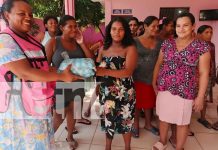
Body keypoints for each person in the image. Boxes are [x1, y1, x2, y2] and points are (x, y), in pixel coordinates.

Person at [0, 0, 79, 149]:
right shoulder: (4, 40)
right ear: (6, 15)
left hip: (39, 105)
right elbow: (25, 72)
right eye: (21, 13)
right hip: (19, 112)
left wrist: (63, 72)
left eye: (30, 13)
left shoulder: (30, 39)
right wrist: (61, 76)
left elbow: (43, 67)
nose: (28, 17)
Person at [152, 12, 211, 150]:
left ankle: (179, 147)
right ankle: (162, 141)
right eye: (178, 25)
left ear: (193, 26)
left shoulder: (201, 46)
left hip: (185, 90)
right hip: (165, 87)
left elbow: (204, 73)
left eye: (185, 25)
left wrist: (201, 97)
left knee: (182, 122)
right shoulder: (167, 43)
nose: (181, 29)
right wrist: (154, 83)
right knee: (164, 117)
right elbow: (159, 64)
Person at [45, 15, 93, 148]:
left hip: (78, 84)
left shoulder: (78, 42)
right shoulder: (54, 42)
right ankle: (46, 141)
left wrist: (82, 43)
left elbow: (91, 60)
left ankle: (70, 136)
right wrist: (61, 72)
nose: (74, 29)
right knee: (59, 117)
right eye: (70, 26)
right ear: (62, 27)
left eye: (75, 26)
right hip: (61, 85)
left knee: (74, 112)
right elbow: (45, 66)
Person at [96, 17, 137, 150]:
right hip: (107, 92)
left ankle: (127, 147)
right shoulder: (103, 48)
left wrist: (105, 72)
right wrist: (98, 85)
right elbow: (97, 69)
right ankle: (108, 147)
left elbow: (127, 72)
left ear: (125, 32)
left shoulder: (130, 48)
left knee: (126, 121)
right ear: (109, 31)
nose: (117, 32)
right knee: (109, 121)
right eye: (114, 29)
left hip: (125, 93)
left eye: (121, 29)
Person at [132, 16, 161, 138]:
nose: (156, 28)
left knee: (149, 102)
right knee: (137, 104)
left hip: (152, 77)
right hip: (136, 77)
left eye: (157, 26)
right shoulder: (135, 41)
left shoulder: (159, 43)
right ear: (145, 26)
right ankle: (135, 125)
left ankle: (148, 124)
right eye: (153, 26)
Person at [197, 25, 216, 129]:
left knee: (203, 97)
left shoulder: (211, 46)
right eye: (206, 32)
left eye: (211, 32)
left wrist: (213, 75)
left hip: (207, 75)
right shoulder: (193, 45)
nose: (210, 35)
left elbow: (212, 61)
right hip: (194, 75)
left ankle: (202, 118)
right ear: (199, 34)